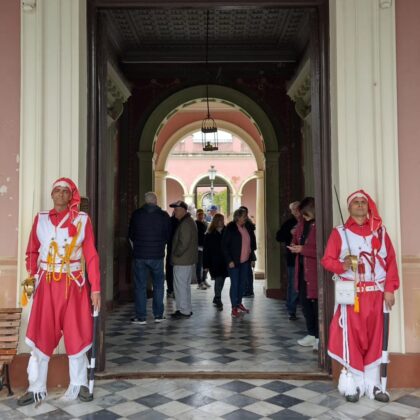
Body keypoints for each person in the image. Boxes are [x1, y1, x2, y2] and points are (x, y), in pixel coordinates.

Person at [18, 178, 101, 406]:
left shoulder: (82, 220)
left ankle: (79, 384)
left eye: (66, 191)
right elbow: (32, 252)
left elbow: (91, 255)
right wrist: (31, 277)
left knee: (76, 333)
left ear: (71, 195)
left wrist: (96, 288)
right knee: (42, 334)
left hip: (73, 285)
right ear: (52, 194)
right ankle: (36, 387)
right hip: (46, 285)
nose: (61, 194)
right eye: (57, 190)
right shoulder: (41, 219)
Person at [321, 189, 399, 403]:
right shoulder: (339, 233)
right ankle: (353, 384)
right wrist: (343, 264)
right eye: (356, 202)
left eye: (363, 202)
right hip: (351, 294)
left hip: (376, 294)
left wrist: (389, 289)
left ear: (368, 206)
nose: (360, 205)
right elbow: (327, 261)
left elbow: (391, 260)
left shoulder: (380, 232)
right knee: (351, 337)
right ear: (349, 207)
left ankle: (373, 385)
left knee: (375, 338)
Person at [128, 192, 170, 324]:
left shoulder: (136, 215)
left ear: (145, 201)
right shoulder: (163, 215)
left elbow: (131, 234)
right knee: (158, 285)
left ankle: (141, 317)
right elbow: (168, 235)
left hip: (140, 255)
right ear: (156, 201)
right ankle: (158, 315)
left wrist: (136, 247)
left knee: (140, 286)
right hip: (157, 255)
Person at [288, 197, 318, 351]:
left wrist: (303, 249)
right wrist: (294, 244)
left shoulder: (320, 225)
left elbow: (323, 250)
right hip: (301, 269)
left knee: (315, 304)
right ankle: (311, 333)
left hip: (314, 272)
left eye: (306, 214)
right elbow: (296, 239)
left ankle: (319, 337)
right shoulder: (302, 223)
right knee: (305, 303)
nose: (303, 217)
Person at [222, 207, 257, 318]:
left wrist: (251, 257)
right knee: (235, 284)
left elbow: (250, 244)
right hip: (234, 262)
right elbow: (224, 246)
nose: (245, 218)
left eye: (246, 216)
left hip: (245, 261)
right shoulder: (230, 228)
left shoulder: (246, 227)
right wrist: (229, 260)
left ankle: (239, 303)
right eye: (243, 216)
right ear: (237, 217)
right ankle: (234, 307)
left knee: (242, 284)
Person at [170, 200, 198, 319]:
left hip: (182, 260)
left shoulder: (186, 223)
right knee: (184, 286)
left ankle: (183, 310)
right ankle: (186, 309)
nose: (174, 212)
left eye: (176, 209)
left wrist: (176, 254)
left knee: (180, 286)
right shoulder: (188, 221)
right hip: (186, 260)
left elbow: (184, 243)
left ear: (182, 210)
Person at [276, 201, 300, 320]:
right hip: (292, 258)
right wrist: (289, 233)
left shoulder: (308, 221)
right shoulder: (289, 223)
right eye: (293, 210)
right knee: (293, 284)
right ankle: (291, 309)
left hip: (307, 258)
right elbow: (279, 237)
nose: (295, 212)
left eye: (296, 209)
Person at [203, 213, 228, 310]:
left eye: (222, 220)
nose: (222, 222)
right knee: (218, 279)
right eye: (220, 220)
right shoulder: (209, 234)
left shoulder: (227, 232)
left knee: (222, 279)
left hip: (225, 261)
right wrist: (206, 265)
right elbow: (206, 251)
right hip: (214, 262)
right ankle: (218, 298)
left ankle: (217, 296)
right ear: (215, 221)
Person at [239, 206, 257, 297]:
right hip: (248, 250)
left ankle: (248, 290)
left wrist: (252, 250)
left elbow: (250, 239)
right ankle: (248, 290)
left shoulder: (246, 225)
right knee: (247, 271)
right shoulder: (248, 224)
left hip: (247, 250)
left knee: (246, 271)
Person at [195, 209, 210, 290]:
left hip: (205, 247)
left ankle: (204, 280)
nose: (201, 216)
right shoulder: (195, 223)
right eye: (199, 214)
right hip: (198, 247)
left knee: (206, 264)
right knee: (199, 265)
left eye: (202, 214)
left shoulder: (205, 223)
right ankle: (199, 282)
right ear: (197, 215)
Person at [165, 211, 179, 298]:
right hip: (178, 249)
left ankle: (170, 289)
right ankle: (175, 290)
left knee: (170, 269)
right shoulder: (182, 222)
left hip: (170, 248)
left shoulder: (169, 221)